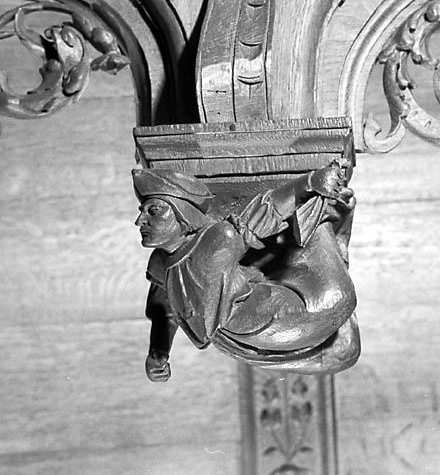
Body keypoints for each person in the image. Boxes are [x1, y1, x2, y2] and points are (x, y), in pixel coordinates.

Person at [133, 162, 361, 382]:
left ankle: (323, 210)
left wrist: (308, 182)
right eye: (142, 211)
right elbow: (164, 307)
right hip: (245, 337)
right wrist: (158, 351)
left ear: (181, 213)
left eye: (154, 210)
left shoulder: (216, 241)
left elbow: (264, 214)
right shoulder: (160, 262)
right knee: (343, 353)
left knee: (334, 302)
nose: (140, 221)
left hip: (313, 304)